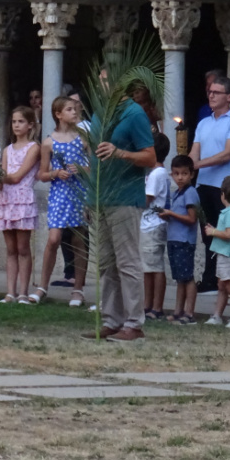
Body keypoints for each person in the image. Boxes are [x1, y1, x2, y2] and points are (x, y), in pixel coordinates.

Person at [82, 76, 155, 343]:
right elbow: (93, 156)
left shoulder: (135, 113)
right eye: (99, 80)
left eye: (105, 80)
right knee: (105, 263)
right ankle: (112, 320)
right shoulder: (101, 113)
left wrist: (120, 152)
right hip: (100, 197)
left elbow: (150, 156)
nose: (100, 85)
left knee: (127, 262)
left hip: (125, 197)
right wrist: (90, 196)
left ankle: (134, 322)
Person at [30, 97, 88, 307]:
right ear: (58, 114)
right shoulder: (48, 142)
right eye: (70, 109)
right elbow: (42, 174)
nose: (75, 112)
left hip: (79, 192)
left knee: (79, 240)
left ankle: (78, 289)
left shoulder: (84, 138)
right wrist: (56, 172)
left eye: (76, 109)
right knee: (54, 238)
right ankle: (42, 286)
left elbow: (94, 168)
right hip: (59, 194)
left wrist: (81, 169)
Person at [190, 75, 230, 295]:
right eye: (209, 91)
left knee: (228, 234)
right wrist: (190, 163)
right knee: (208, 234)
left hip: (226, 186)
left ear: (229, 97)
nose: (211, 95)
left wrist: (197, 163)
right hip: (204, 183)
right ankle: (211, 279)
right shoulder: (204, 122)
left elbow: (228, 153)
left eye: (216, 92)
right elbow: (196, 148)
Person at [0, 106, 40, 304]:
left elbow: (19, 175)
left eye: (21, 122)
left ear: (30, 125)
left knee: (23, 248)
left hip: (23, 198)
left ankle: (23, 292)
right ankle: (10, 292)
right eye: (14, 122)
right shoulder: (7, 150)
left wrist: (1, 178)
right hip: (7, 199)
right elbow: (2, 172)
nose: (17, 125)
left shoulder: (33, 148)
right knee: (10, 249)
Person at [160, 155, 200, 325]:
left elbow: (191, 218)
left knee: (188, 277)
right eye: (176, 174)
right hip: (174, 239)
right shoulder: (177, 193)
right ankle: (178, 311)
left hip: (184, 241)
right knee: (179, 278)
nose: (180, 177)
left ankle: (189, 313)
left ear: (191, 174)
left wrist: (171, 214)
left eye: (184, 173)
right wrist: (166, 215)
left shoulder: (191, 193)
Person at [204, 175, 230, 328]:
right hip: (224, 254)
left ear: (223, 195)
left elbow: (229, 234)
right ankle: (217, 315)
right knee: (221, 285)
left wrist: (213, 232)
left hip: (229, 255)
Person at [140, 133, 171, 321]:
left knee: (155, 267)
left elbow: (146, 199)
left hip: (152, 226)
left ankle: (157, 306)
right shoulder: (156, 173)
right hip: (148, 226)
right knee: (147, 267)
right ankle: (147, 304)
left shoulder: (157, 174)